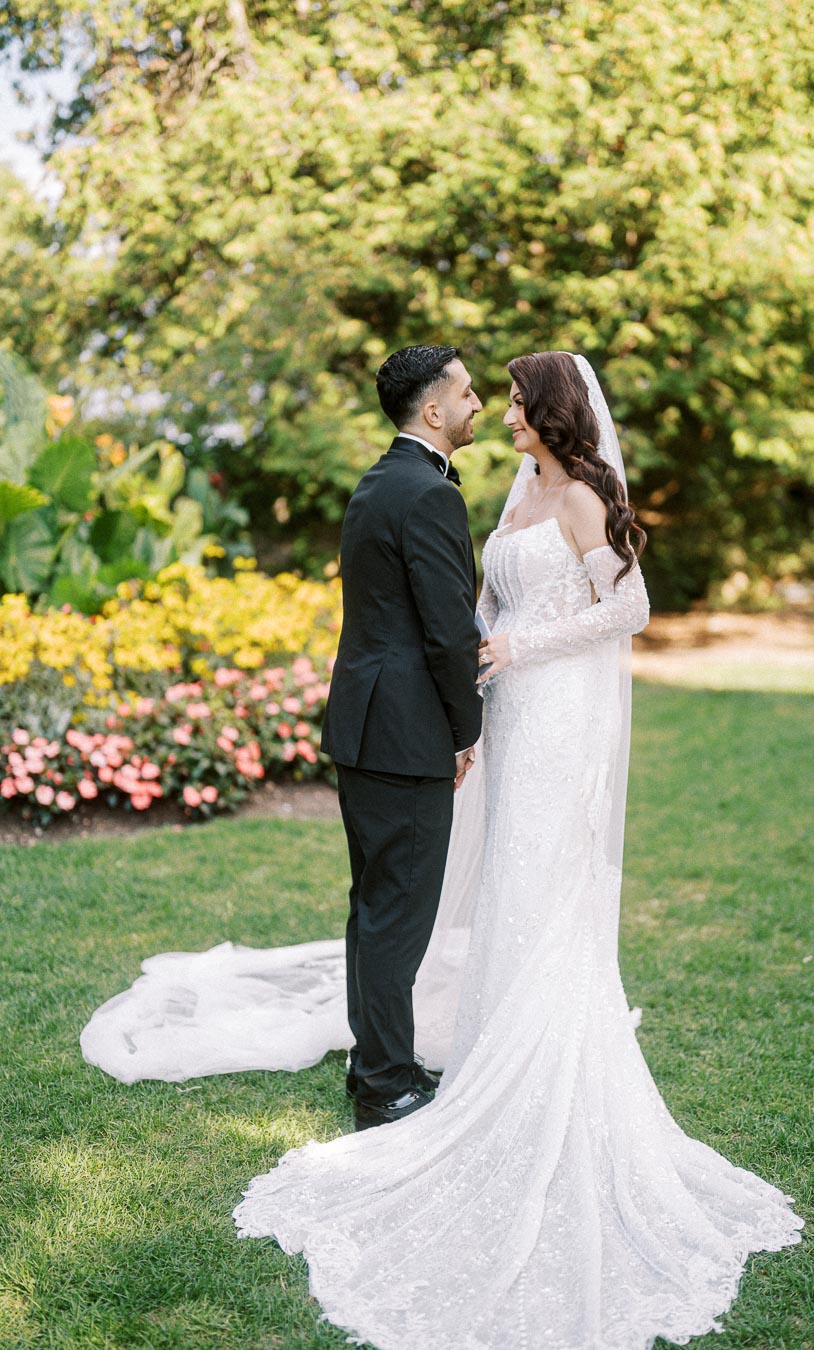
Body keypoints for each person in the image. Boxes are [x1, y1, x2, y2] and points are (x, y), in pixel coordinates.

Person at [232, 352, 803, 1350]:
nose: (498, 413)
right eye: (484, 396)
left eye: (514, 399)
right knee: (503, 879)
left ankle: (540, 1061)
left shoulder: (587, 495)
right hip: (510, 711)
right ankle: (491, 1050)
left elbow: (628, 608)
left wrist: (517, 650)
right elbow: (482, 599)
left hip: (557, 709)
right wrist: (483, 649)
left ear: (553, 410)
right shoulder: (507, 495)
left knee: (547, 877)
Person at [320, 344, 483, 1130]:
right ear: (433, 410)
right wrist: (465, 728)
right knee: (397, 913)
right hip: (406, 732)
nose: (479, 402)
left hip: (365, 726)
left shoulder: (380, 480)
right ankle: (385, 1085)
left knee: (374, 907)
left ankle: (374, 1058)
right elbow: (448, 633)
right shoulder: (428, 495)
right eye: (467, 391)